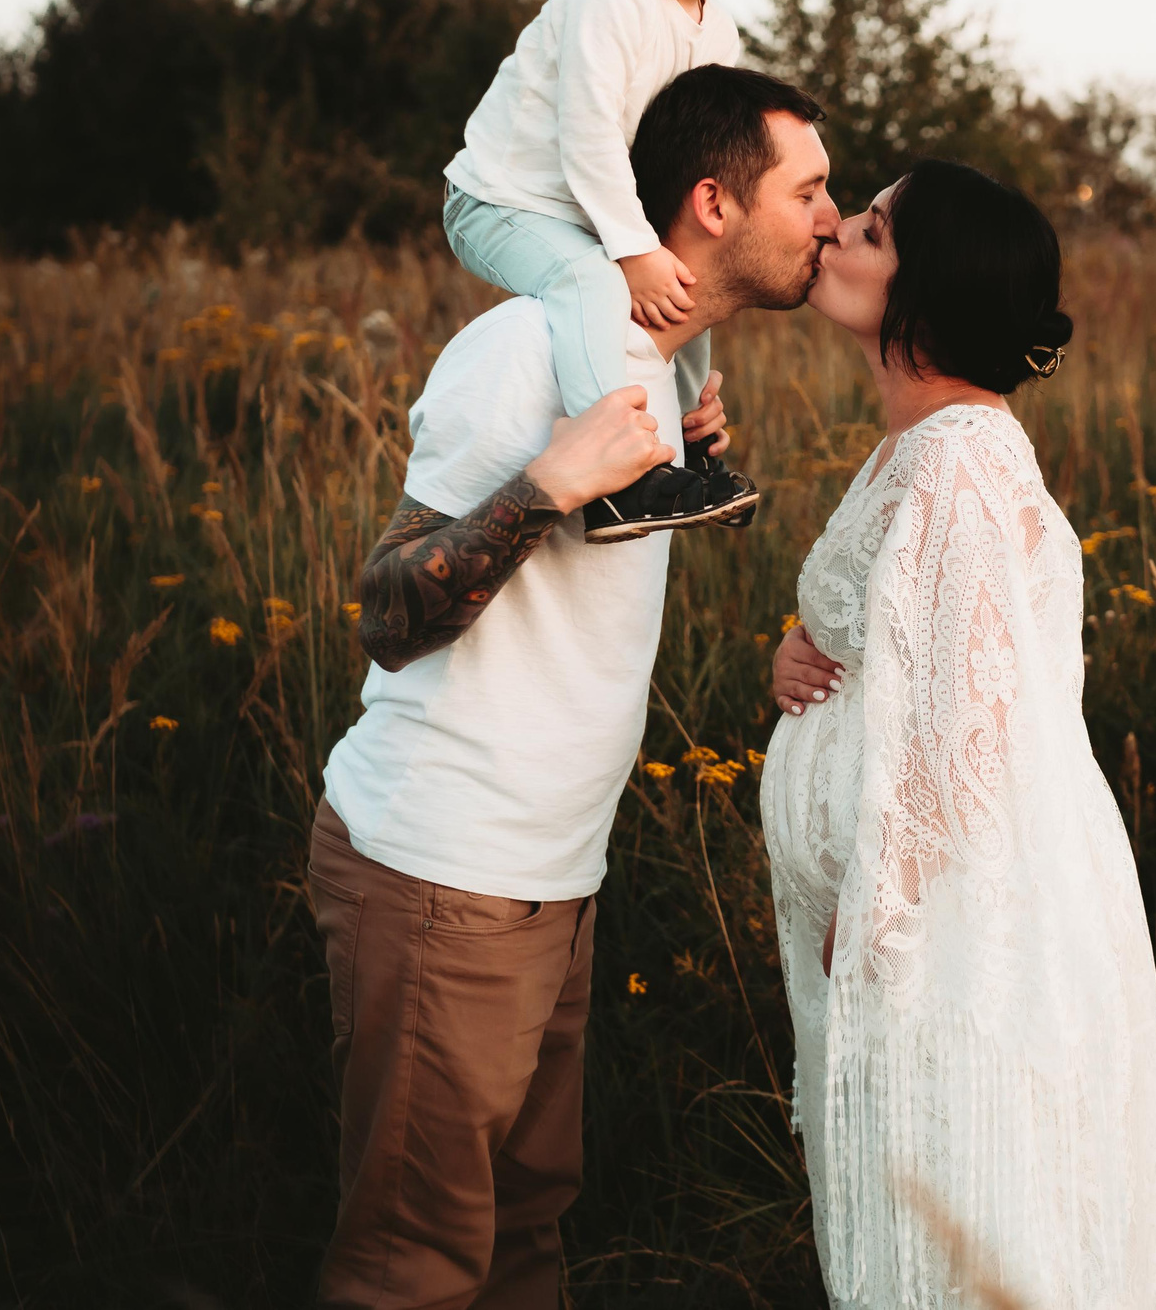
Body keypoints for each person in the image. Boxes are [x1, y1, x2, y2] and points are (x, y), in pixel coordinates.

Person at [309, 66, 837, 1310]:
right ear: (713, 205)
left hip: (554, 879)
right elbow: (389, 612)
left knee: (526, 1234)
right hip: (445, 871)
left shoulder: (657, 360)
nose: (830, 216)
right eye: (810, 190)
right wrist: (545, 488)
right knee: (413, 1265)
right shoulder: (525, 350)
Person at [760, 162, 1156, 1306]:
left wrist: (880, 918)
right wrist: (802, 657)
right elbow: (928, 653)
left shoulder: (960, 460)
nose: (837, 236)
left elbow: (971, 738)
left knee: (961, 1220)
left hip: (948, 933)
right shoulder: (925, 448)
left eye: (869, 229)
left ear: (923, 291)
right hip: (923, 913)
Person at [438, 0, 802, 543]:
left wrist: (658, 259)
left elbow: (678, 160)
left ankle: (692, 437)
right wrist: (634, 249)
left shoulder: (719, 35)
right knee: (591, 280)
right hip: (505, 201)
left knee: (689, 284)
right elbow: (590, 135)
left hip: (596, 213)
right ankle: (619, 483)